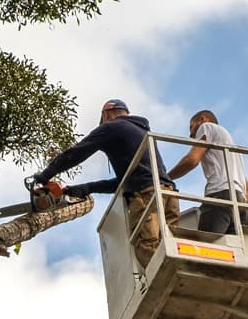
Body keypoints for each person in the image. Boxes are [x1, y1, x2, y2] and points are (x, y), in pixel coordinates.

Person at [34, 98, 179, 268]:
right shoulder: (142, 132)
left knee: (147, 246)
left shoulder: (112, 127)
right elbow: (124, 182)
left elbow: (78, 152)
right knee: (170, 247)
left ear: (107, 114)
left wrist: (46, 174)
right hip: (168, 194)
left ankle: (163, 289)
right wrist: (84, 188)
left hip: (146, 196)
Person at [167, 109, 248, 234]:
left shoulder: (206, 127)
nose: (191, 136)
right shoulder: (233, 151)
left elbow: (192, 160)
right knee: (230, 251)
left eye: (191, 128)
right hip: (240, 206)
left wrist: (165, 178)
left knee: (208, 249)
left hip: (220, 197)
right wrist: (234, 203)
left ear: (202, 119)